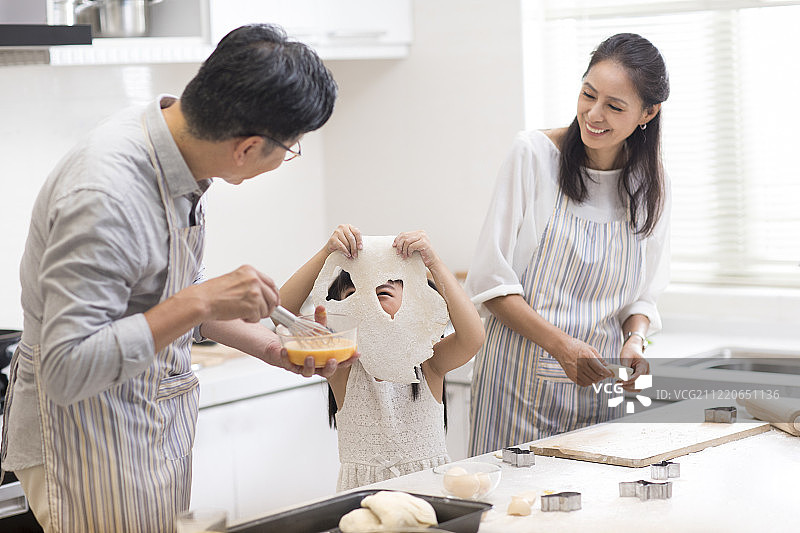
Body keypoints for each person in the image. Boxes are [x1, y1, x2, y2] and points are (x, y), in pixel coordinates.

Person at [0, 23, 348, 532]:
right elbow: (66, 367)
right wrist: (202, 301)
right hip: (87, 440)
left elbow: (163, 293)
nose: (285, 160)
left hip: (143, 425)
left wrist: (274, 346)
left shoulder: (173, 150)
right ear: (248, 148)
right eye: (289, 148)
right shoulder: (105, 195)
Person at [465, 33, 671, 455]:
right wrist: (561, 346)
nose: (594, 115)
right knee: (514, 514)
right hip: (517, 388)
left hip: (603, 390)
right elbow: (491, 281)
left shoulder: (651, 184)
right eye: (588, 94)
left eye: (615, 106)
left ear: (648, 112)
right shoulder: (533, 156)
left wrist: (635, 340)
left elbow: (643, 296)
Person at [280, 224, 485, 491]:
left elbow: (473, 337)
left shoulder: (428, 363)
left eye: (382, 293)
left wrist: (433, 263)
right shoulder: (343, 365)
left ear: (412, 302)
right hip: (362, 499)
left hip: (427, 493)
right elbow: (281, 311)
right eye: (354, 297)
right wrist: (325, 253)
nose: (369, 306)